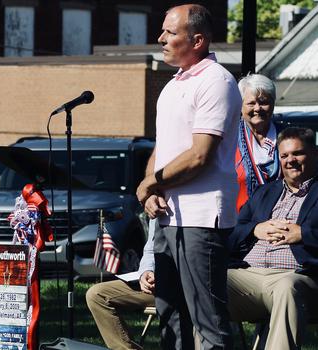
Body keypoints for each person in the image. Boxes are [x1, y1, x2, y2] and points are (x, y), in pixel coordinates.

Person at [136, 4, 242, 349]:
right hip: (168, 216)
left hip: (201, 218)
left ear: (197, 40)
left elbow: (199, 155)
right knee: (171, 317)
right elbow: (163, 148)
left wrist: (152, 183)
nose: (161, 38)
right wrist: (152, 188)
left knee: (208, 322)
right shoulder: (172, 85)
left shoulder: (217, 81)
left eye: (170, 32)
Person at [228, 127, 318, 349]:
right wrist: (255, 229)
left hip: (296, 276)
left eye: (298, 153)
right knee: (206, 282)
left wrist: (303, 234)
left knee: (287, 287)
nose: (291, 161)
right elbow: (230, 234)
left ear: (315, 153)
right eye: (284, 156)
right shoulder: (265, 192)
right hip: (248, 274)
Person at [86, 220, 156, 350]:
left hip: (188, 287)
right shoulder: (156, 209)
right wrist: (147, 271)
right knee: (97, 294)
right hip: (155, 286)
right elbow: (150, 250)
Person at [236, 74, 281, 212]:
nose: (257, 108)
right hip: (238, 223)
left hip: (281, 222)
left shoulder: (288, 137)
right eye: (251, 103)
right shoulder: (228, 138)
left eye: (263, 102)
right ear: (240, 105)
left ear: (273, 104)